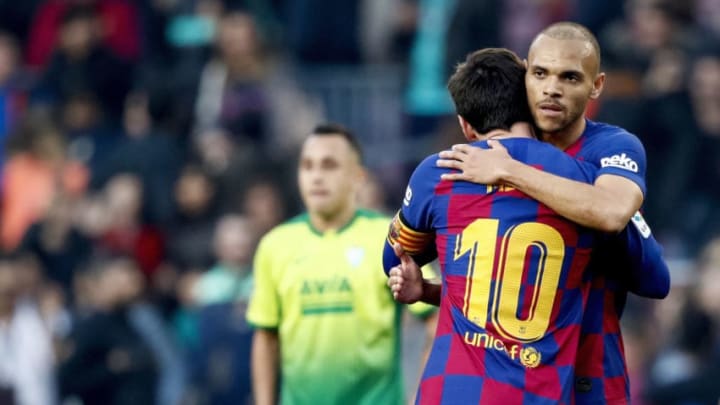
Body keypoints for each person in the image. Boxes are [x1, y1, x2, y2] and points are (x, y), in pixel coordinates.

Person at [434, 22, 669, 403]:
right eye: (540, 73)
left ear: (597, 85)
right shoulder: (489, 152)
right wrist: (433, 291)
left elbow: (612, 216)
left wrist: (513, 171)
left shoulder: (612, 147)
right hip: (515, 379)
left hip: (588, 371)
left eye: (570, 77)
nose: (552, 88)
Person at [384, 47, 604, 404]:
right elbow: (654, 278)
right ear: (531, 105)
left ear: (465, 124)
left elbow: (394, 262)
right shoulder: (583, 181)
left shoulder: (439, 172)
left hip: (453, 393)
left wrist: (428, 286)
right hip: (538, 394)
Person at [246, 124, 437, 405]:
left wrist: (420, 398)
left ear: (357, 177)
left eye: (329, 165)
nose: (316, 177)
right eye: (307, 166)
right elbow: (266, 336)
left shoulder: (388, 239)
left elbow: (436, 318)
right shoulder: (274, 245)